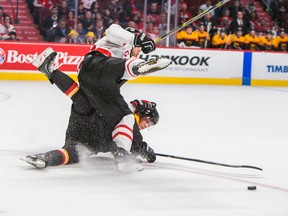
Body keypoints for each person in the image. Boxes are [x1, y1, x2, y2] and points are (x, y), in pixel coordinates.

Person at [23, 24, 171, 171]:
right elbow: (112, 30)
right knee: (125, 115)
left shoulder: (120, 61)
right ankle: (121, 153)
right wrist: (137, 39)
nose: (138, 52)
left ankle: (47, 159)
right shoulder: (120, 41)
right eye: (138, 49)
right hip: (98, 66)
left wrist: (141, 148)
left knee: (75, 148)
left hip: (88, 119)